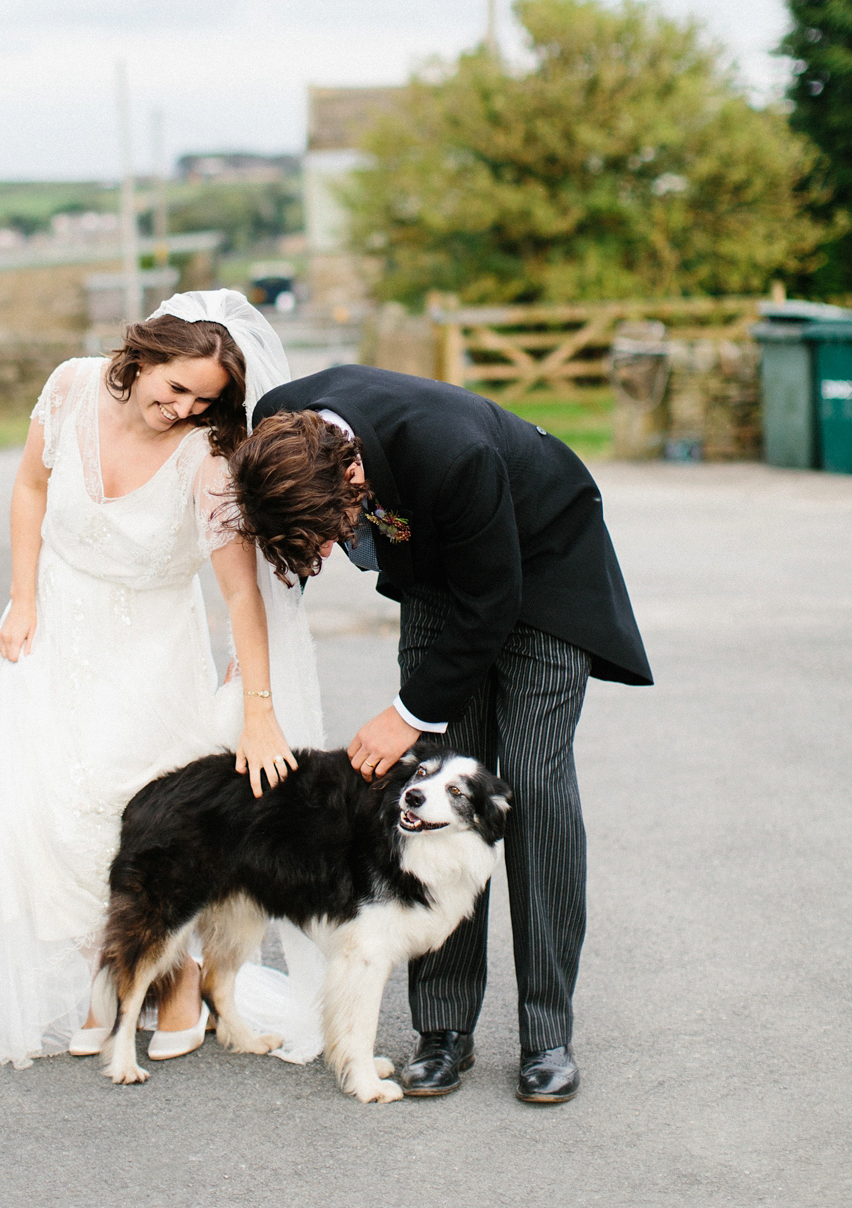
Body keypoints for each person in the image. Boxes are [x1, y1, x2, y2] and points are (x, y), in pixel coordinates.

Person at [227, 364, 652, 1106]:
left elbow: (492, 603)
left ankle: (547, 1033)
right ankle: (444, 1031)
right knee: (429, 793)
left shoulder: (455, 451)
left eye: (334, 532)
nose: (332, 550)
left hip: (545, 567)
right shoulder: (279, 424)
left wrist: (405, 710)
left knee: (531, 783)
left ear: (352, 474)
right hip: (436, 574)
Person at [0, 291, 325, 1070]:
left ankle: (181, 979)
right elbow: (30, 487)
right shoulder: (70, 387)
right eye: (174, 389)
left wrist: (259, 710)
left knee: (129, 808)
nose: (183, 409)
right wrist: (24, 598)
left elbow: (240, 592)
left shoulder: (207, 458)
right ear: (139, 360)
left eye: (205, 400)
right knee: (42, 811)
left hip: (150, 649)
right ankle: (111, 975)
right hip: (55, 625)